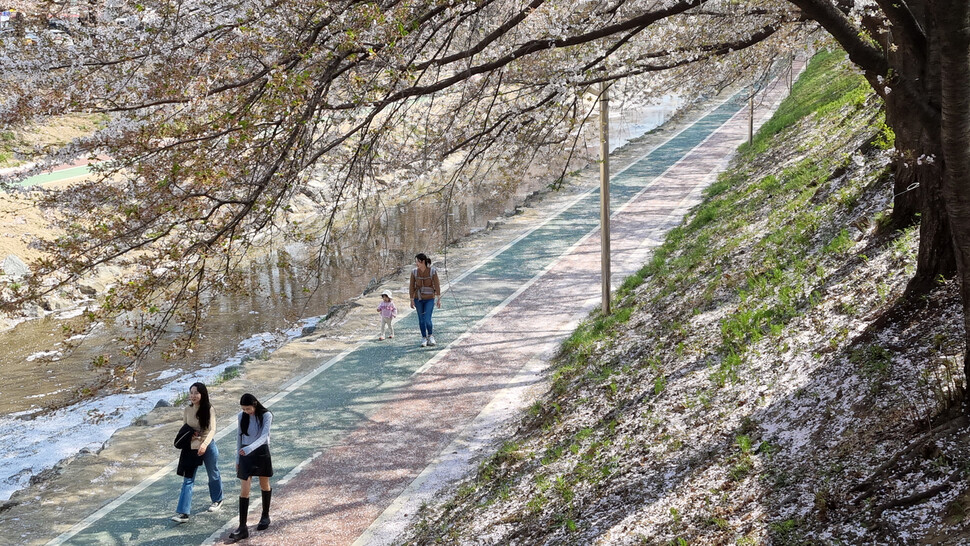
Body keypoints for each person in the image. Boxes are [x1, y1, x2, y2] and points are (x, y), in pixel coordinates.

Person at [172, 382, 224, 523]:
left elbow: (212, 429)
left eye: (196, 393)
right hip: (191, 447)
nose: (193, 396)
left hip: (208, 445)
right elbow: (184, 427)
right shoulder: (187, 410)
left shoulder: (209, 409)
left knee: (213, 473)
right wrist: (190, 436)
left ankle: (217, 500)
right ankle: (183, 513)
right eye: (191, 393)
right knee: (188, 479)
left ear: (202, 394)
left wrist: (205, 444)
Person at [229, 393, 274, 542]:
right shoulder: (242, 416)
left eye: (248, 409)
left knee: (264, 484)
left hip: (261, 452)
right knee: (244, 490)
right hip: (245, 453)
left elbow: (263, 437)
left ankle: (265, 515)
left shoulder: (267, 415)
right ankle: (242, 527)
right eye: (244, 409)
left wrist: (249, 449)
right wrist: (238, 458)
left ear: (255, 404)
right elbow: (239, 438)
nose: (246, 411)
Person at [409, 253, 441, 347]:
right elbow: (411, 286)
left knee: (427, 319)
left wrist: (439, 298)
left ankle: (430, 335)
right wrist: (411, 299)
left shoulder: (432, 271)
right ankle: (423, 337)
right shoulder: (414, 272)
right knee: (421, 320)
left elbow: (437, 285)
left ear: (422, 262)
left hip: (429, 298)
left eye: (417, 261)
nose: (416, 264)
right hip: (418, 298)